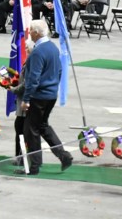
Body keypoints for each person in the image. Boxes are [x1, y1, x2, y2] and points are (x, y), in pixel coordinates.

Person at [19, 19, 73, 175]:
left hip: (38, 96)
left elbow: (33, 79)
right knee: (42, 126)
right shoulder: (52, 48)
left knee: (31, 130)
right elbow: (60, 71)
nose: (29, 33)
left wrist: (26, 99)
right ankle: (64, 156)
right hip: (51, 94)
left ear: (36, 33)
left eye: (30, 31)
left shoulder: (38, 51)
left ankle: (34, 166)